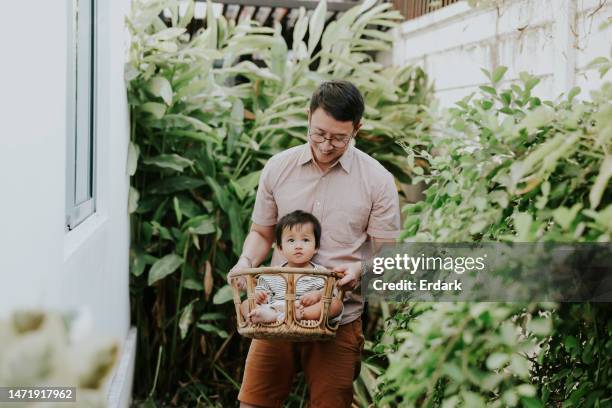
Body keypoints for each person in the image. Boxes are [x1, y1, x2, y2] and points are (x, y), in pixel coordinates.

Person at [231, 80, 400, 408]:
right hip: (277, 311)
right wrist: (245, 261)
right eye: (319, 133)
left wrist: (361, 270)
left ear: (357, 129)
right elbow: (262, 233)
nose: (326, 145)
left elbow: (388, 256)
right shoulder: (278, 168)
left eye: (339, 138)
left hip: (338, 318)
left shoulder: (377, 181)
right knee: (253, 404)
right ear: (308, 117)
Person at [240, 210, 343, 324]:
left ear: (316, 247)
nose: (298, 246)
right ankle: (272, 317)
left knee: (336, 304)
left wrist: (318, 295)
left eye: (305, 240)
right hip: (274, 308)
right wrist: (259, 296)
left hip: (304, 310)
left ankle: (292, 316)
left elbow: (331, 292)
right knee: (245, 304)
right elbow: (262, 292)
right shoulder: (273, 273)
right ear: (280, 248)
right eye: (291, 240)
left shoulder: (321, 273)